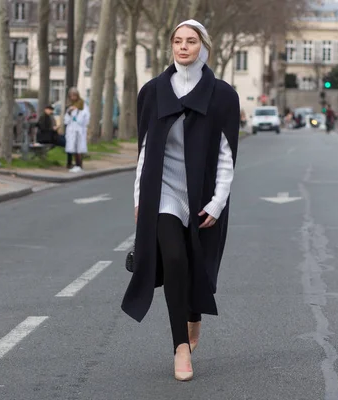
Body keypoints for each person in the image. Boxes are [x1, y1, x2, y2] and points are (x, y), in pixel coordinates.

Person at [121, 19, 240, 382]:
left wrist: (218, 202)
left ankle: (193, 314)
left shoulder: (222, 95)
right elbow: (144, 150)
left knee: (195, 263)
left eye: (190, 41)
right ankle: (180, 348)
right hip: (164, 192)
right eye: (177, 41)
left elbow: (225, 155)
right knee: (172, 258)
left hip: (202, 194)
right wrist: (139, 197)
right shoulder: (153, 91)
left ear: (203, 46)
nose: (183, 47)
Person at [64, 88, 87, 169]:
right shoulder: (70, 106)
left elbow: (83, 118)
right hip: (71, 129)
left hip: (79, 129)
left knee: (78, 147)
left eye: (74, 95)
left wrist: (76, 112)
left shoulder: (82, 105)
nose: (72, 97)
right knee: (71, 146)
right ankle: (70, 163)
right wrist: (69, 113)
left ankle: (79, 164)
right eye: (71, 96)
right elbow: (66, 120)